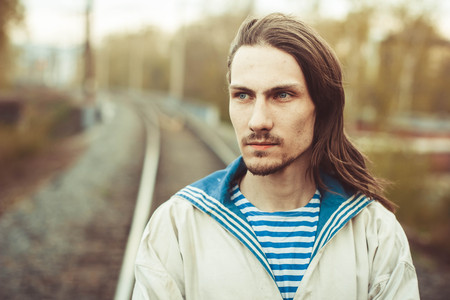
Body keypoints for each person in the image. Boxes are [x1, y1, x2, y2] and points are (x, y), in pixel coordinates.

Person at [132, 13, 420, 300]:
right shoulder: (177, 225)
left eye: (281, 95)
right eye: (243, 96)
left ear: (322, 107)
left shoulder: (375, 233)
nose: (258, 121)